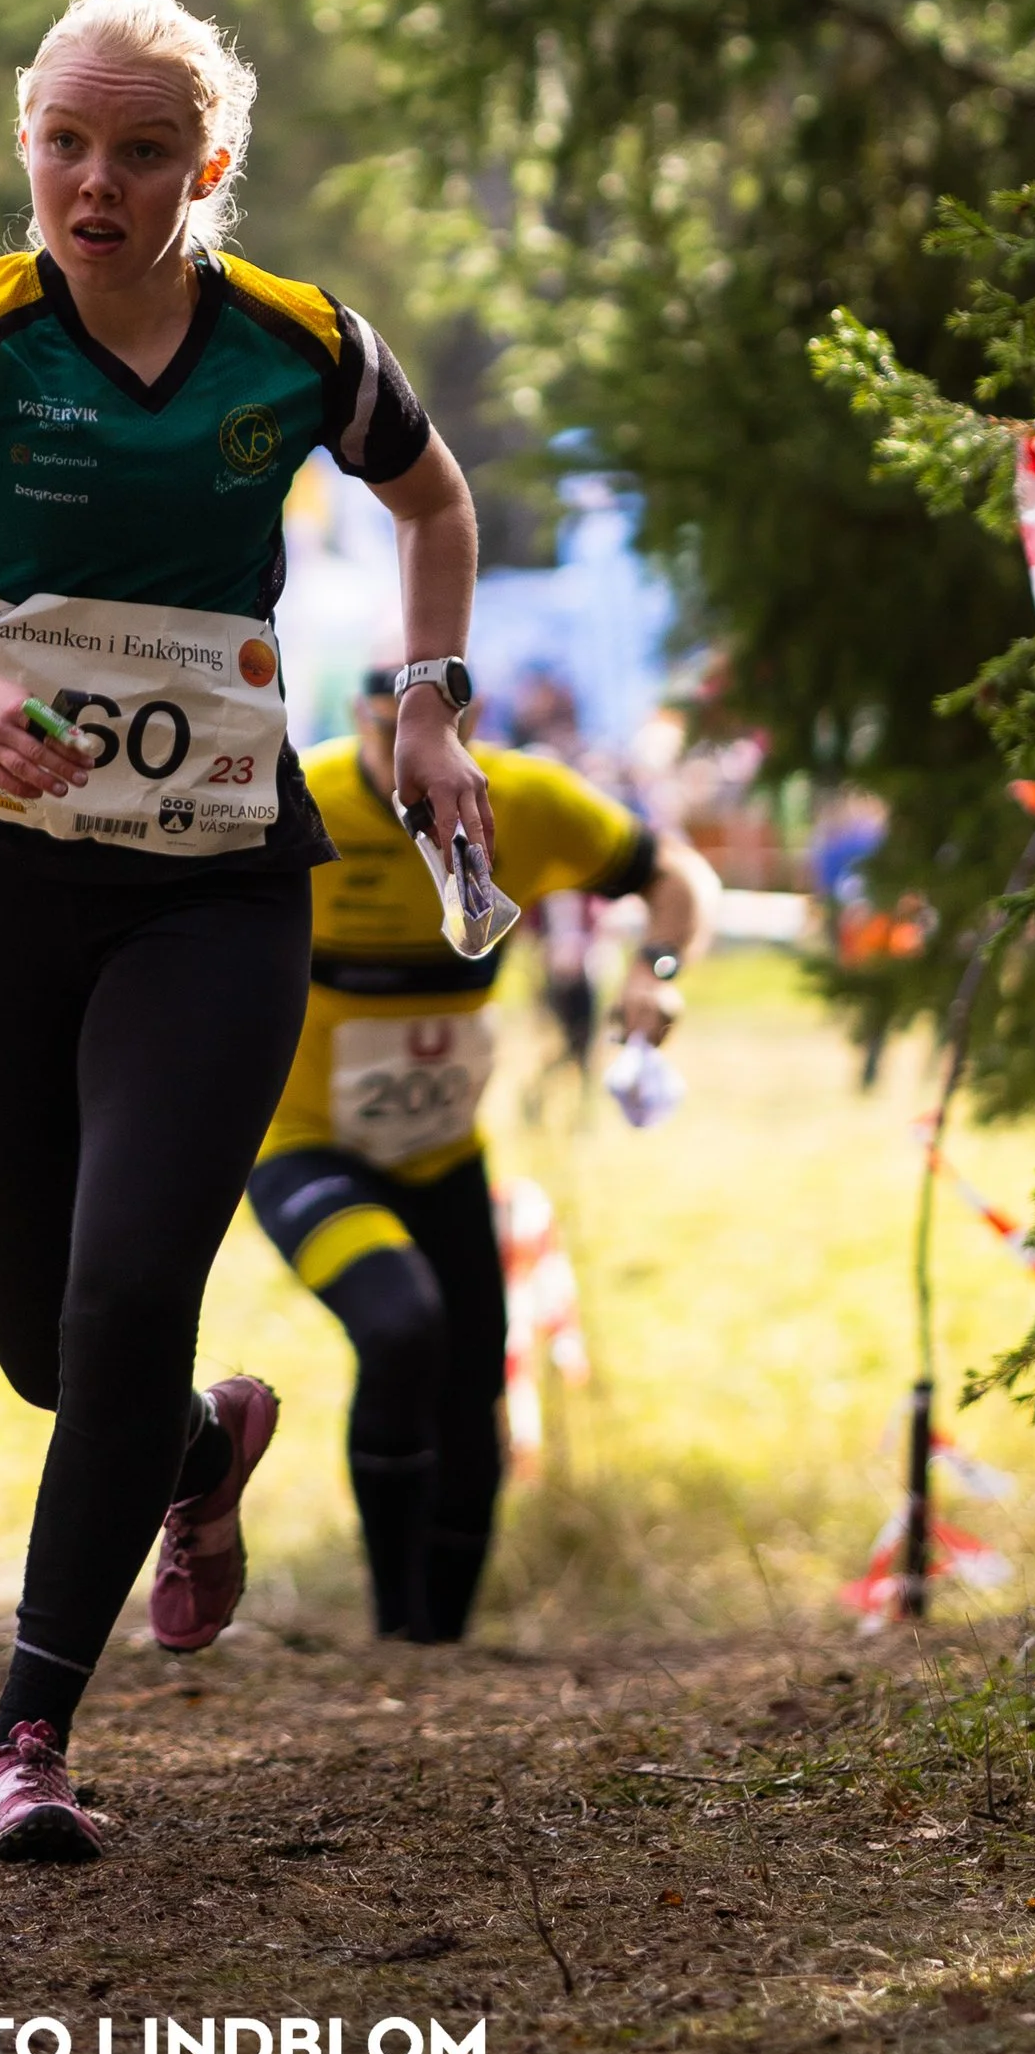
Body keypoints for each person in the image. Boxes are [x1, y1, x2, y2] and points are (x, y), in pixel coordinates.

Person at [0, 0, 489, 1865]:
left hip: (217, 890)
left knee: (118, 1306)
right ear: (26, 146)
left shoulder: (302, 345)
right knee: (45, 1343)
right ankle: (196, 1445)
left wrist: (428, 702)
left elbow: (433, 501)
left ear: (210, 167)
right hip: (4, 876)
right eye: (66, 145)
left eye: (143, 153)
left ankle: (26, 1733)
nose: (96, 184)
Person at [246, 670, 706, 1644]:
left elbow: (675, 875)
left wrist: (655, 970)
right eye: (387, 740)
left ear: (469, 729)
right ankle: (396, 1633)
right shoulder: (296, 797)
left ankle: (438, 1650)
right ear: (361, 723)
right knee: (401, 1325)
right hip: (302, 1144)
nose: (409, 775)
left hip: (445, 1152)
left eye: (430, 741)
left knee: (472, 1389)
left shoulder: (527, 803)